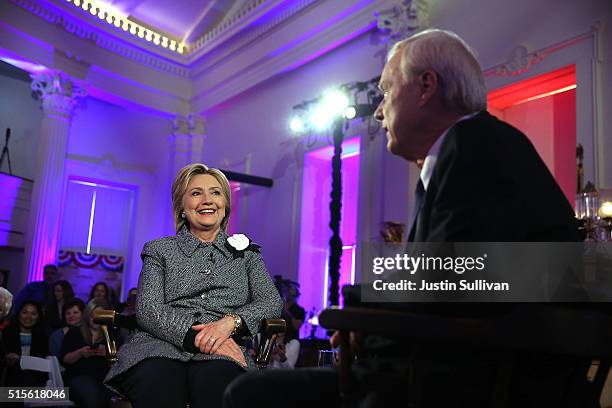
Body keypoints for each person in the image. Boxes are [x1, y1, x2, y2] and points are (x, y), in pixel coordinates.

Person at [224, 28, 588, 408]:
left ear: (425, 86)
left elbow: (456, 280)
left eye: (386, 91)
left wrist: (362, 318)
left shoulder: (472, 145)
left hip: (475, 387)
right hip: (468, 373)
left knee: (251, 394)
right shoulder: (474, 149)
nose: (379, 111)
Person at [104, 163, 282, 408]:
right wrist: (198, 336)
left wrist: (230, 323)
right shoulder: (159, 249)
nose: (207, 200)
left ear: (225, 205)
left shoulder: (248, 253)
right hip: (157, 347)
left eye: (216, 192)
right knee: (159, 386)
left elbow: (271, 301)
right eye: (196, 193)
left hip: (224, 350)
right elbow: (148, 308)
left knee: (217, 386)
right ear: (182, 207)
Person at [60, 300, 112, 408]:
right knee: (90, 392)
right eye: (93, 315)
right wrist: (80, 353)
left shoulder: (111, 334)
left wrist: (108, 353)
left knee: (105, 394)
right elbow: (65, 359)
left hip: (104, 378)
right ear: (88, 316)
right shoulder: (75, 332)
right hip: (78, 377)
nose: (96, 319)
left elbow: (122, 359)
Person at [2, 301, 48, 386]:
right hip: (10, 381)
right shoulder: (6, 334)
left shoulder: (43, 336)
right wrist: (6, 358)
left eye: (33, 314)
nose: (28, 317)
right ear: (19, 314)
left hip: (35, 382)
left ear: (38, 317)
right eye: (24, 312)